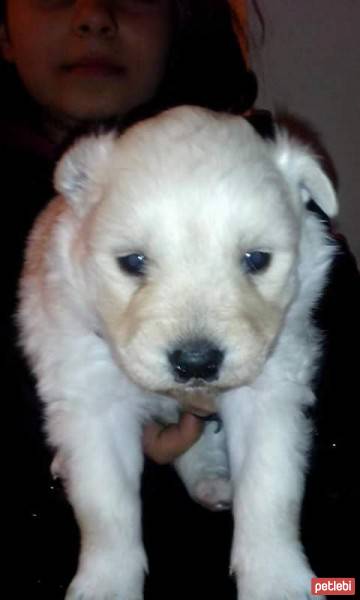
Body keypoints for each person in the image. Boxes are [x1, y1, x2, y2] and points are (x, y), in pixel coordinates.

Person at [1, 1, 358, 598]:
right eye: (135, 263)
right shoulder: (65, 228)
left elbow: (302, 419)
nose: (94, 14)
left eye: (254, 261)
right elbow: (83, 410)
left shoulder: (280, 194)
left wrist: (329, 584)